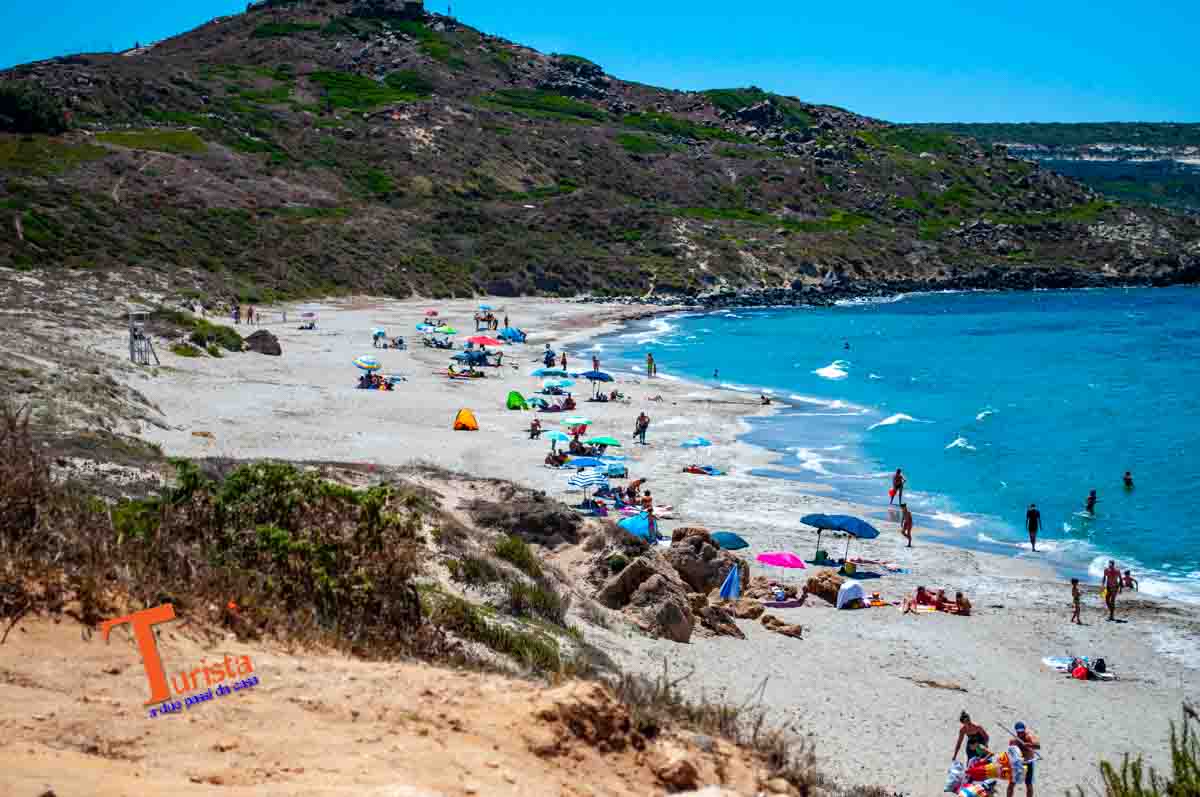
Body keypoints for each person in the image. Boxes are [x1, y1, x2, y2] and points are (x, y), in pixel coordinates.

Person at [1008, 722, 1040, 797]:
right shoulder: (1014, 740)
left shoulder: (1029, 737)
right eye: (1018, 732)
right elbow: (1011, 752)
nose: (1020, 733)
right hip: (1017, 764)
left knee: (1028, 784)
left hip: (1028, 763)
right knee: (1011, 783)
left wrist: (1029, 745)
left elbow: (1038, 746)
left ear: (1024, 730)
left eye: (1022, 731)